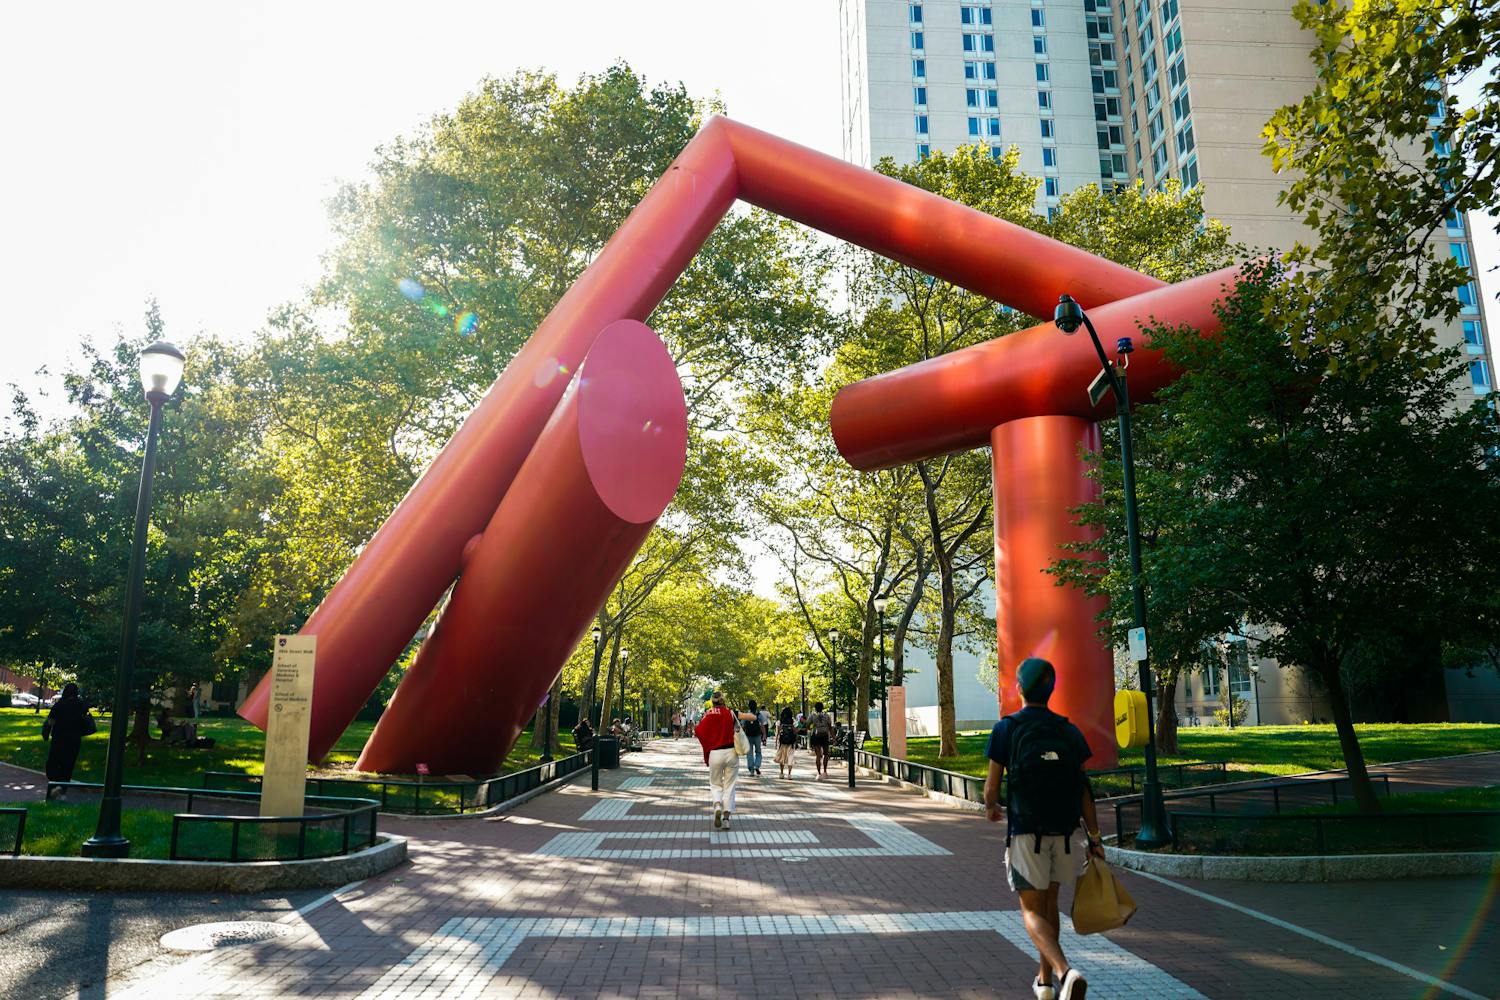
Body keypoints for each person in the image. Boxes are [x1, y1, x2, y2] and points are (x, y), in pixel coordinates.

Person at [983, 658, 1104, 1000]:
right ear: (1051, 690)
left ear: (1019, 689)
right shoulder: (1068, 730)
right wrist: (1094, 837)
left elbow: (992, 788)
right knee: (1051, 906)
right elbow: (1084, 789)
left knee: (1032, 911)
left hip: (1026, 832)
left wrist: (992, 807)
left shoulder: (1006, 729)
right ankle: (1045, 983)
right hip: (1065, 834)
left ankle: (1065, 973)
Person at [693, 693, 755, 829]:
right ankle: (726, 819)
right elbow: (752, 717)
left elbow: (698, 730)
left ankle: (717, 806)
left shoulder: (708, 714)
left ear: (712, 702)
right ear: (723, 701)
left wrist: (709, 742)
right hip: (731, 753)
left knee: (715, 784)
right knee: (730, 786)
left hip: (715, 754)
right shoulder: (730, 713)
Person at [41, 684, 94, 797]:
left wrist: (45, 734)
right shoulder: (81, 705)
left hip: (59, 739)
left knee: (54, 762)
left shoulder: (59, 705)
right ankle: (62, 788)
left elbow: (50, 722)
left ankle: (54, 786)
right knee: (68, 765)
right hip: (74, 740)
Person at [807, 701, 835, 777]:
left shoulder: (812, 716)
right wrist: (833, 737)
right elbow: (830, 727)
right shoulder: (827, 716)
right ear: (822, 708)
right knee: (826, 754)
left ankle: (819, 773)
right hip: (825, 735)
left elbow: (807, 725)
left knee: (818, 755)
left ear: (815, 708)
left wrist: (812, 728)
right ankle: (825, 771)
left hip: (816, 736)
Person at [774, 706, 799, 778]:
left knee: (782, 757)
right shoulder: (793, 721)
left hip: (782, 742)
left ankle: (781, 773)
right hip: (791, 742)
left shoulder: (779, 722)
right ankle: (789, 774)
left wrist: (776, 743)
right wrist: (796, 742)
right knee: (790, 757)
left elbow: (777, 733)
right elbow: (795, 732)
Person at [742, 698, 764, 776]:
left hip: (748, 736)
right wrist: (764, 735)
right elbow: (762, 725)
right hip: (757, 735)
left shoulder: (746, 715)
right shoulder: (759, 715)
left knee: (749, 753)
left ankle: (751, 769)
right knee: (758, 752)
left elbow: (743, 726)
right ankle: (757, 766)